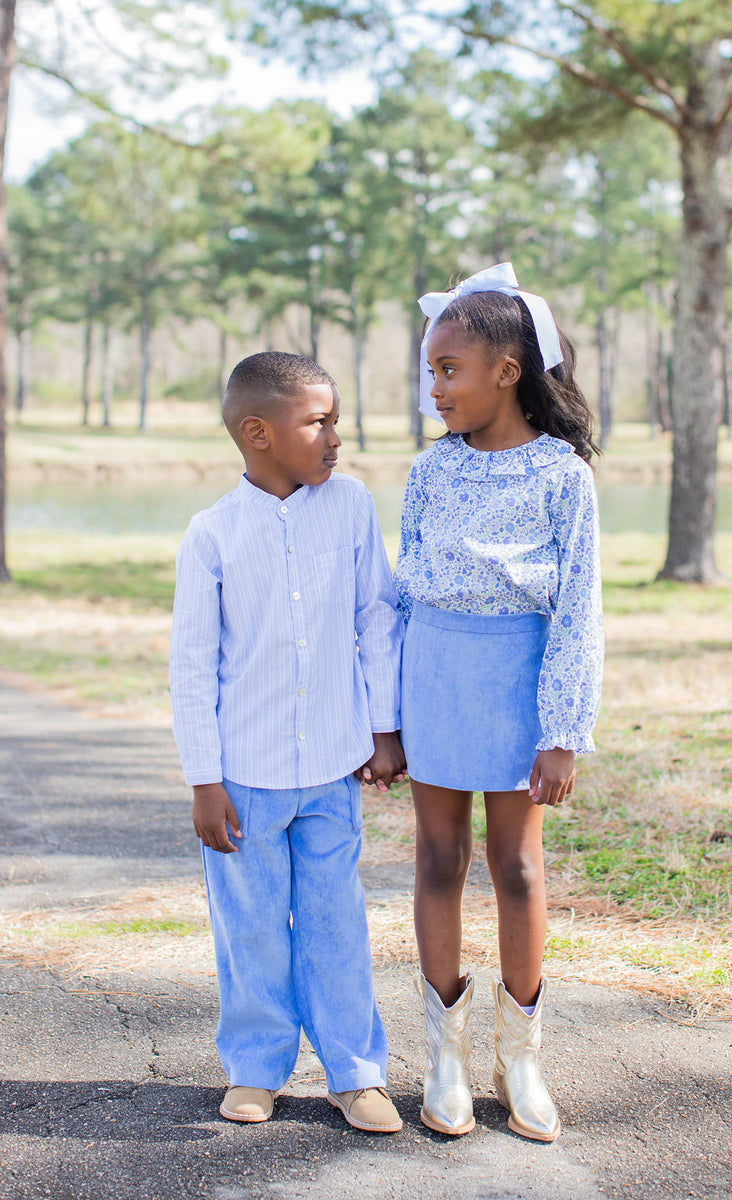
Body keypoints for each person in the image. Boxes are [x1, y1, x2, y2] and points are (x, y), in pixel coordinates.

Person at [170, 351, 406, 1133]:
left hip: (333, 769)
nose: (337, 436)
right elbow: (193, 666)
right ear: (258, 432)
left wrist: (384, 729)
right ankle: (255, 1067)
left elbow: (376, 617)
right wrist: (205, 779)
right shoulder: (213, 535)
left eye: (336, 418)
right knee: (251, 928)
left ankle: (356, 1071)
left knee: (337, 922)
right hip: (244, 778)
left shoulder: (349, 508)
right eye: (319, 421)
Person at [394, 263, 603, 1141]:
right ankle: (445, 1051)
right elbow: (401, 599)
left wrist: (562, 731)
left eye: (450, 370)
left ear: (508, 371)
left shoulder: (563, 477)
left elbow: (578, 609)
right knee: (439, 858)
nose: (434, 387)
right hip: (435, 677)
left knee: (516, 868)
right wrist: (385, 717)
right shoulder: (428, 472)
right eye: (431, 370)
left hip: (519, 683)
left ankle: (521, 1057)